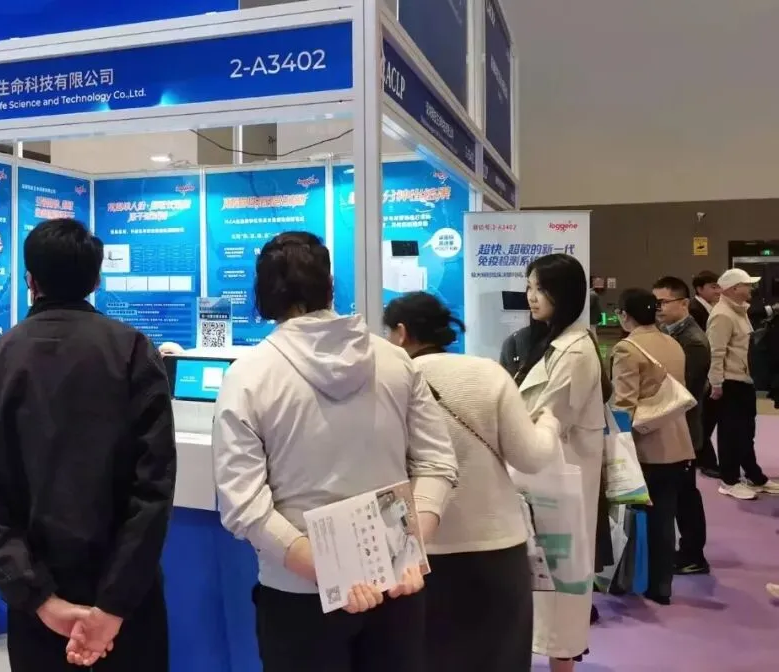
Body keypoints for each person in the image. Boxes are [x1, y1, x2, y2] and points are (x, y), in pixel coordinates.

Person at [212, 232, 456, 672]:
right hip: (396, 586)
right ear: (328, 285)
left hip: (298, 595)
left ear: (264, 293)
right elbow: (437, 463)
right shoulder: (395, 360)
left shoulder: (248, 375)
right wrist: (407, 551)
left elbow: (243, 504)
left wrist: (333, 571)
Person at [0, 218, 177, 671]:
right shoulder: (132, 352)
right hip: (129, 610)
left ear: (30, 281)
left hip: (38, 613)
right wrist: (112, 607)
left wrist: (38, 597)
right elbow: (154, 488)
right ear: (96, 280)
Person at [384, 291, 560, 671]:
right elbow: (530, 457)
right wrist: (548, 424)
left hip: (418, 553)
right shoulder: (487, 373)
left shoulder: (390, 382)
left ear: (401, 332)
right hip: (496, 548)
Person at [513, 253, 606, 671]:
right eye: (529, 288)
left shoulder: (575, 351)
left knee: (563, 587)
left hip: (560, 482)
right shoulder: (551, 343)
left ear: (564, 294)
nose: (532, 297)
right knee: (545, 585)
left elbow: (548, 417)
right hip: (544, 481)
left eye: (541, 289)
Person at [610, 288, 696, 604]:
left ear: (624, 314)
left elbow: (623, 406)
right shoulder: (672, 342)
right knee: (664, 517)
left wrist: (614, 445)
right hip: (678, 442)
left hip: (644, 446)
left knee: (632, 516)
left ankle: (628, 578)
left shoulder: (627, 348)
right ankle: (661, 586)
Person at [652, 276, 711, 575]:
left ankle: (693, 555)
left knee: (686, 496)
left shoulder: (693, 341)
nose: (658, 308)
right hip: (671, 427)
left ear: (684, 303)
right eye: (655, 303)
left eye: (663, 302)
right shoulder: (665, 333)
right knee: (676, 494)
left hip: (685, 429)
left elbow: (687, 391)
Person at [707, 268, 779, 500]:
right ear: (734, 288)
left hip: (744, 380)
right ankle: (728, 481)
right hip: (730, 383)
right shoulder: (722, 315)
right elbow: (716, 352)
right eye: (747, 285)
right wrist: (716, 383)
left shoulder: (740, 311)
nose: (751, 288)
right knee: (731, 434)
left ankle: (754, 476)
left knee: (746, 433)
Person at [689, 271, 722, 476]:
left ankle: (702, 458)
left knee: (707, 418)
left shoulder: (711, 308)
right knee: (704, 419)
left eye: (718, 286)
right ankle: (705, 460)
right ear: (699, 289)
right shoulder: (695, 310)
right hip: (702, 372)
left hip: (709, 372)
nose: (717, 291)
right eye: (713, 287)